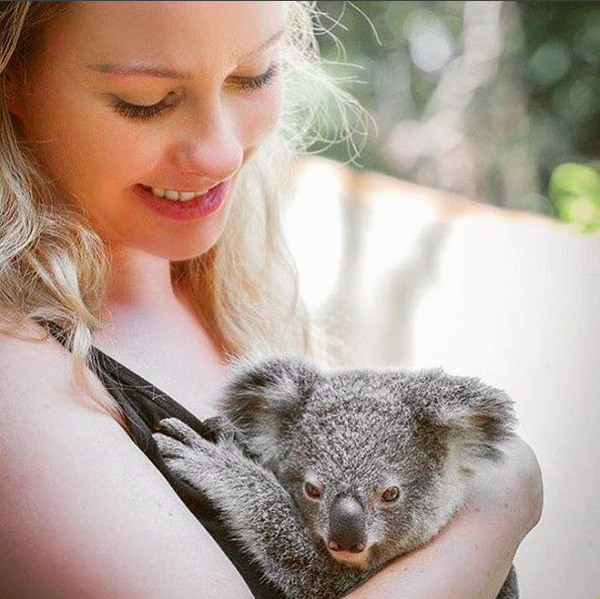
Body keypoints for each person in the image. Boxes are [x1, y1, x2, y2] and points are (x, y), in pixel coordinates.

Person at [0, 2, 543, 598]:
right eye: (145, 99)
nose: (222, 153)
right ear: (12, 78)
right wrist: (496, 516)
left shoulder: (228, 276)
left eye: (254, 74)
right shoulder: (18, 375)